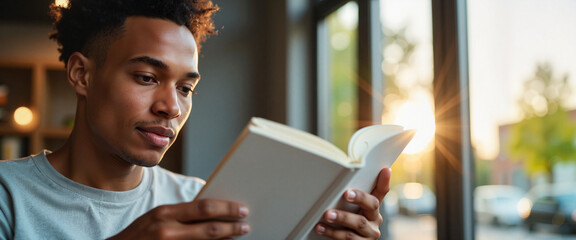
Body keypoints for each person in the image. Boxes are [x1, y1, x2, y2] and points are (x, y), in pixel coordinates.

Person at [0, 0, 391, 239]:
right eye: (147, 78)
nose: (171, 107)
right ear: (81, 75)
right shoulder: (9, 196)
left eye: (185, 88)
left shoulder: (204, 203)